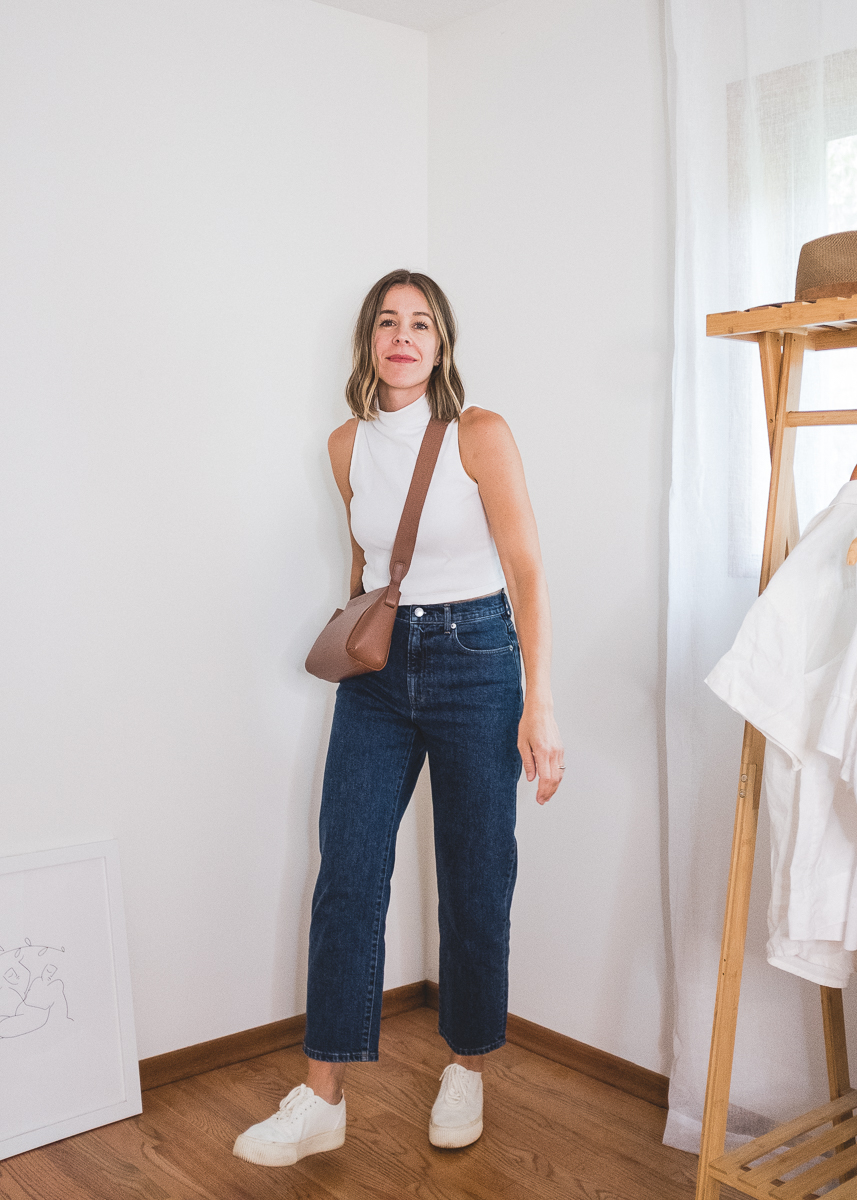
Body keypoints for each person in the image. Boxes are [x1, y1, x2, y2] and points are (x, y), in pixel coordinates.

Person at [233, 269, 564, 1167]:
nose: (404, 336)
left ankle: (466, 1066)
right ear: (368, 341)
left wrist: (540, 703)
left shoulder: (478, 434)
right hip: (381, 673)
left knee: (473, 875)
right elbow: (366, 560)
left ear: (442, 343)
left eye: (421, 323)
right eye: (388, 322)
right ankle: (321, 1094)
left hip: (479, 661)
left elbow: (526, 569)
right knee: (347, 870)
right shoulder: (342, 445)